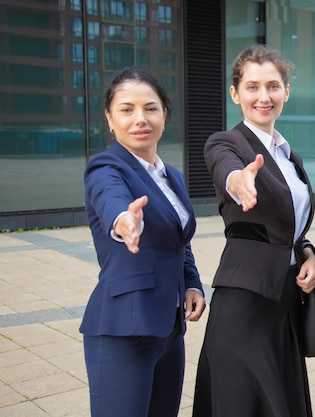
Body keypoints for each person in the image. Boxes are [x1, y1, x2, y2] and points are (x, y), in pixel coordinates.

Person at [192, 44, 315, 417]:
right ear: (235, 93)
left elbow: (289, 225)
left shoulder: (287, 154)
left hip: (286, 295)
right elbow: (225, 169)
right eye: (252, 87)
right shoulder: (226, 143)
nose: (263, 97)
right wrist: (238, 183)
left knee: (282, 391)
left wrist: (308, 252)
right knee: (244, 397)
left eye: (273, 86)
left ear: (286, 92)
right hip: (246, 296)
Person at [80, 67, 206, 417]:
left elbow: (180, 241)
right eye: (126, 109)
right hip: (124, 330)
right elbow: (111, 201)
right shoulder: (105, 167)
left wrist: (192, 284)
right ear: (109, 118)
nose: (140, 119)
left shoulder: (172, 177)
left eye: (150, 108)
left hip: (169, 329)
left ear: (165, 115)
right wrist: (125, 222)